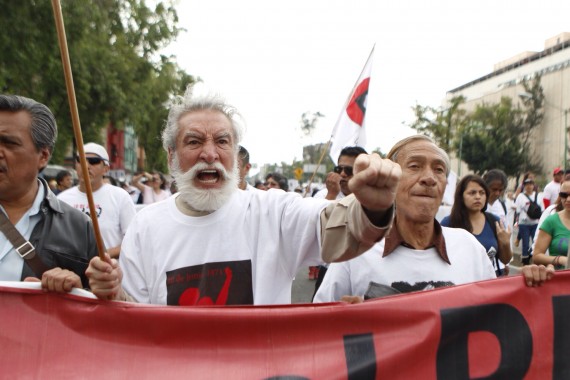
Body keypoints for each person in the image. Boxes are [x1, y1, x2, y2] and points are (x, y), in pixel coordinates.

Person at [85, 85, 399, 305]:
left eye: (222, 142)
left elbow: (340, 228)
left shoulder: (272, 212)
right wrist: (113, 292)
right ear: (171, 157)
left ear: (235, 156)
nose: (209, 154)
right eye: (194, 142)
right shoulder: (145, 226)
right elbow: (135, 317)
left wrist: (373, 207)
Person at [314, 135, 497, 304]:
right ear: (391, 180)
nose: (429, 178)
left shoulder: (469, 248)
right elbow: (320, 327)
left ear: (445, 185)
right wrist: (347, 320)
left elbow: (498, 315)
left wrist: (525, 284)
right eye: (415, 166)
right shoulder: (356, 252)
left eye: (439, 169)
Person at [0, 94, 98, 292]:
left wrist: (75, 291)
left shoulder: (79, 227)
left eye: (9, 143)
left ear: (43, 156)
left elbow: (96, 310)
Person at [57, 143, 136, 259]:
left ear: (106, 169)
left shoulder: (120, 197)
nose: (86, 165)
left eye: (93, 161)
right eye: (81, 160)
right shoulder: (61, 200)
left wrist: (102, 255)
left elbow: (133, 240)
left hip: (108, 272)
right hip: (70, 273)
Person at [311, 146, 367, 285]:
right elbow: (317, 229)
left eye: (348, 170)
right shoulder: (323, 195)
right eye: (339, 169)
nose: (342, 174)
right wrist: (331, 195)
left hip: (362, 270)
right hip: (330, 270)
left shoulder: (373, 197)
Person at [441, 174, 512, 277]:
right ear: (461, 197)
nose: (478, 197)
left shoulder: (495, 222)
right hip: (460, 285)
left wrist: (505, 243)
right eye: (472, 193)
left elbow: (505, 259)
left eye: (482, 193)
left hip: (488, 285)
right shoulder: (448, 223)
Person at [531, 180, 570, 269]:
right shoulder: (551, 221)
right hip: (560, 279)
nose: (568, 199)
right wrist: (560, 259)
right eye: (564, 195)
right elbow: (536, 256)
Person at [482, 168, 511, 274]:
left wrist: (506, 264)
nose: (497, 193)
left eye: (500, 190)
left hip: (499, 265)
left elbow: (507, 233)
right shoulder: (479, 206)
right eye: (494, 189)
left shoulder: (503, 206)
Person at [515, 178, 542, 265]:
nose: (529, 186)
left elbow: (542, 209)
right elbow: (518, 210)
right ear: (524, 186)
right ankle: (525, 262)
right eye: (526, 184)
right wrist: (517, 221)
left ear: (533, 185)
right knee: (525, 243)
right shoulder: (520, 196)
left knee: (536, 242)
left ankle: (532, 256)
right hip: (524, 224)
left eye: (530, 184)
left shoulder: (538, 195)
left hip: (535, 223)